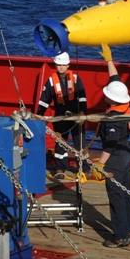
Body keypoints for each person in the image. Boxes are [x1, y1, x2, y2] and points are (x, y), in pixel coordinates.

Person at [92, 44, 130, 248]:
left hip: (116, 158)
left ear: (110, 97)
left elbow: (109, 145)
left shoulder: (113, 118)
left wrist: (100, 165)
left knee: (116, 195)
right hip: (127, 152)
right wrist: (109, 60)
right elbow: (115, 81)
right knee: (127, 192)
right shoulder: (125, 105)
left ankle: (121, 236)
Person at [36, 51, 88, 179]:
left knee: (79, 143)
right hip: (60, 115)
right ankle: (60, 168)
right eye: (59, 65)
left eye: (63, 65)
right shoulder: (51, 81)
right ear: (55, 65)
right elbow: (44, 100)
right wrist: (39, 115)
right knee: (60, 143)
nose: (61, 67)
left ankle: (84, 168)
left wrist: (82, 113)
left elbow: (82, 98)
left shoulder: (76, 79)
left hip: (76, 115)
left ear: (68, 65)